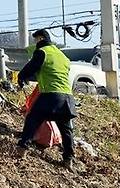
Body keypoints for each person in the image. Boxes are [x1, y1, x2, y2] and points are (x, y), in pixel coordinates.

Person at [16, 28, 77, 170]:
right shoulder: (63, 56)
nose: (35, 42)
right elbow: (53, 72)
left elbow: (31, 68)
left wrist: (21, 77)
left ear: (41, 39)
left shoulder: (42, 52)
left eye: (35, 39)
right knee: (66, 129)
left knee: (33, 118)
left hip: (50, 95)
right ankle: (68, 159)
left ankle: (22, 148)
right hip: (67, 97)